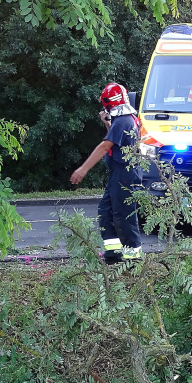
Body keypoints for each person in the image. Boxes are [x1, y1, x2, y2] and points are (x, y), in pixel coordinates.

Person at [70, 83, 143, 264]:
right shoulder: (127, 119)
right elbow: (117, 140)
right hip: (121, 173)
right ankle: (113, 254)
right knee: (106, 211)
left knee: (124, 215)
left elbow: (105, 146)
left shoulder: (123, 121)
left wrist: (83, 169)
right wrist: (107, 123)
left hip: (125, 174)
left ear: (110, 102)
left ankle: (133, 259)